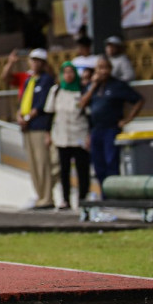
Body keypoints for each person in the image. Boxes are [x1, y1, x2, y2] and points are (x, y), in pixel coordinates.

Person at [80, 56, 144, 193]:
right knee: (98, 164)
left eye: (106, 68)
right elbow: (82, 104)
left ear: (110, 69)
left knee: (111, 162)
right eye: (100, 68)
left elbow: (139, 100)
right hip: (96, 129)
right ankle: (104, 194)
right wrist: (93, 86)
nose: (103, 71)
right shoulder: (92, 87)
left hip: (111, 128)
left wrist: (127, 119)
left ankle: (114, 193)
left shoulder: (118, 85)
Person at [46, 62, 91, 208]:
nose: (68, 75)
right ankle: (65, 199)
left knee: (82, 169)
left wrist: (89, 135)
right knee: (64, 170)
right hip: (62, 135)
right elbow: (49, 113)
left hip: (79, 133)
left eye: (71, 72)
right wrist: (48, 134)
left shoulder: (83, 90)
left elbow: (90, 115)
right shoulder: (56, 90)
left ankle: (83, 198)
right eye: (65, 72)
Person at [15, 49, 56, 210]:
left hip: (38, 125)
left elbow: (41, 105)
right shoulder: (29, 80)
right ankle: (39, 196)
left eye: (38, 60)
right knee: (33, 164)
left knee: (42, 163)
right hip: (28, 127)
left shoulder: (46, 80)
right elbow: (23, 100)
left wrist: (28, 117)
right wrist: (20, 115)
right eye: (33, 60)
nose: (34, 63)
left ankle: (47, 197)